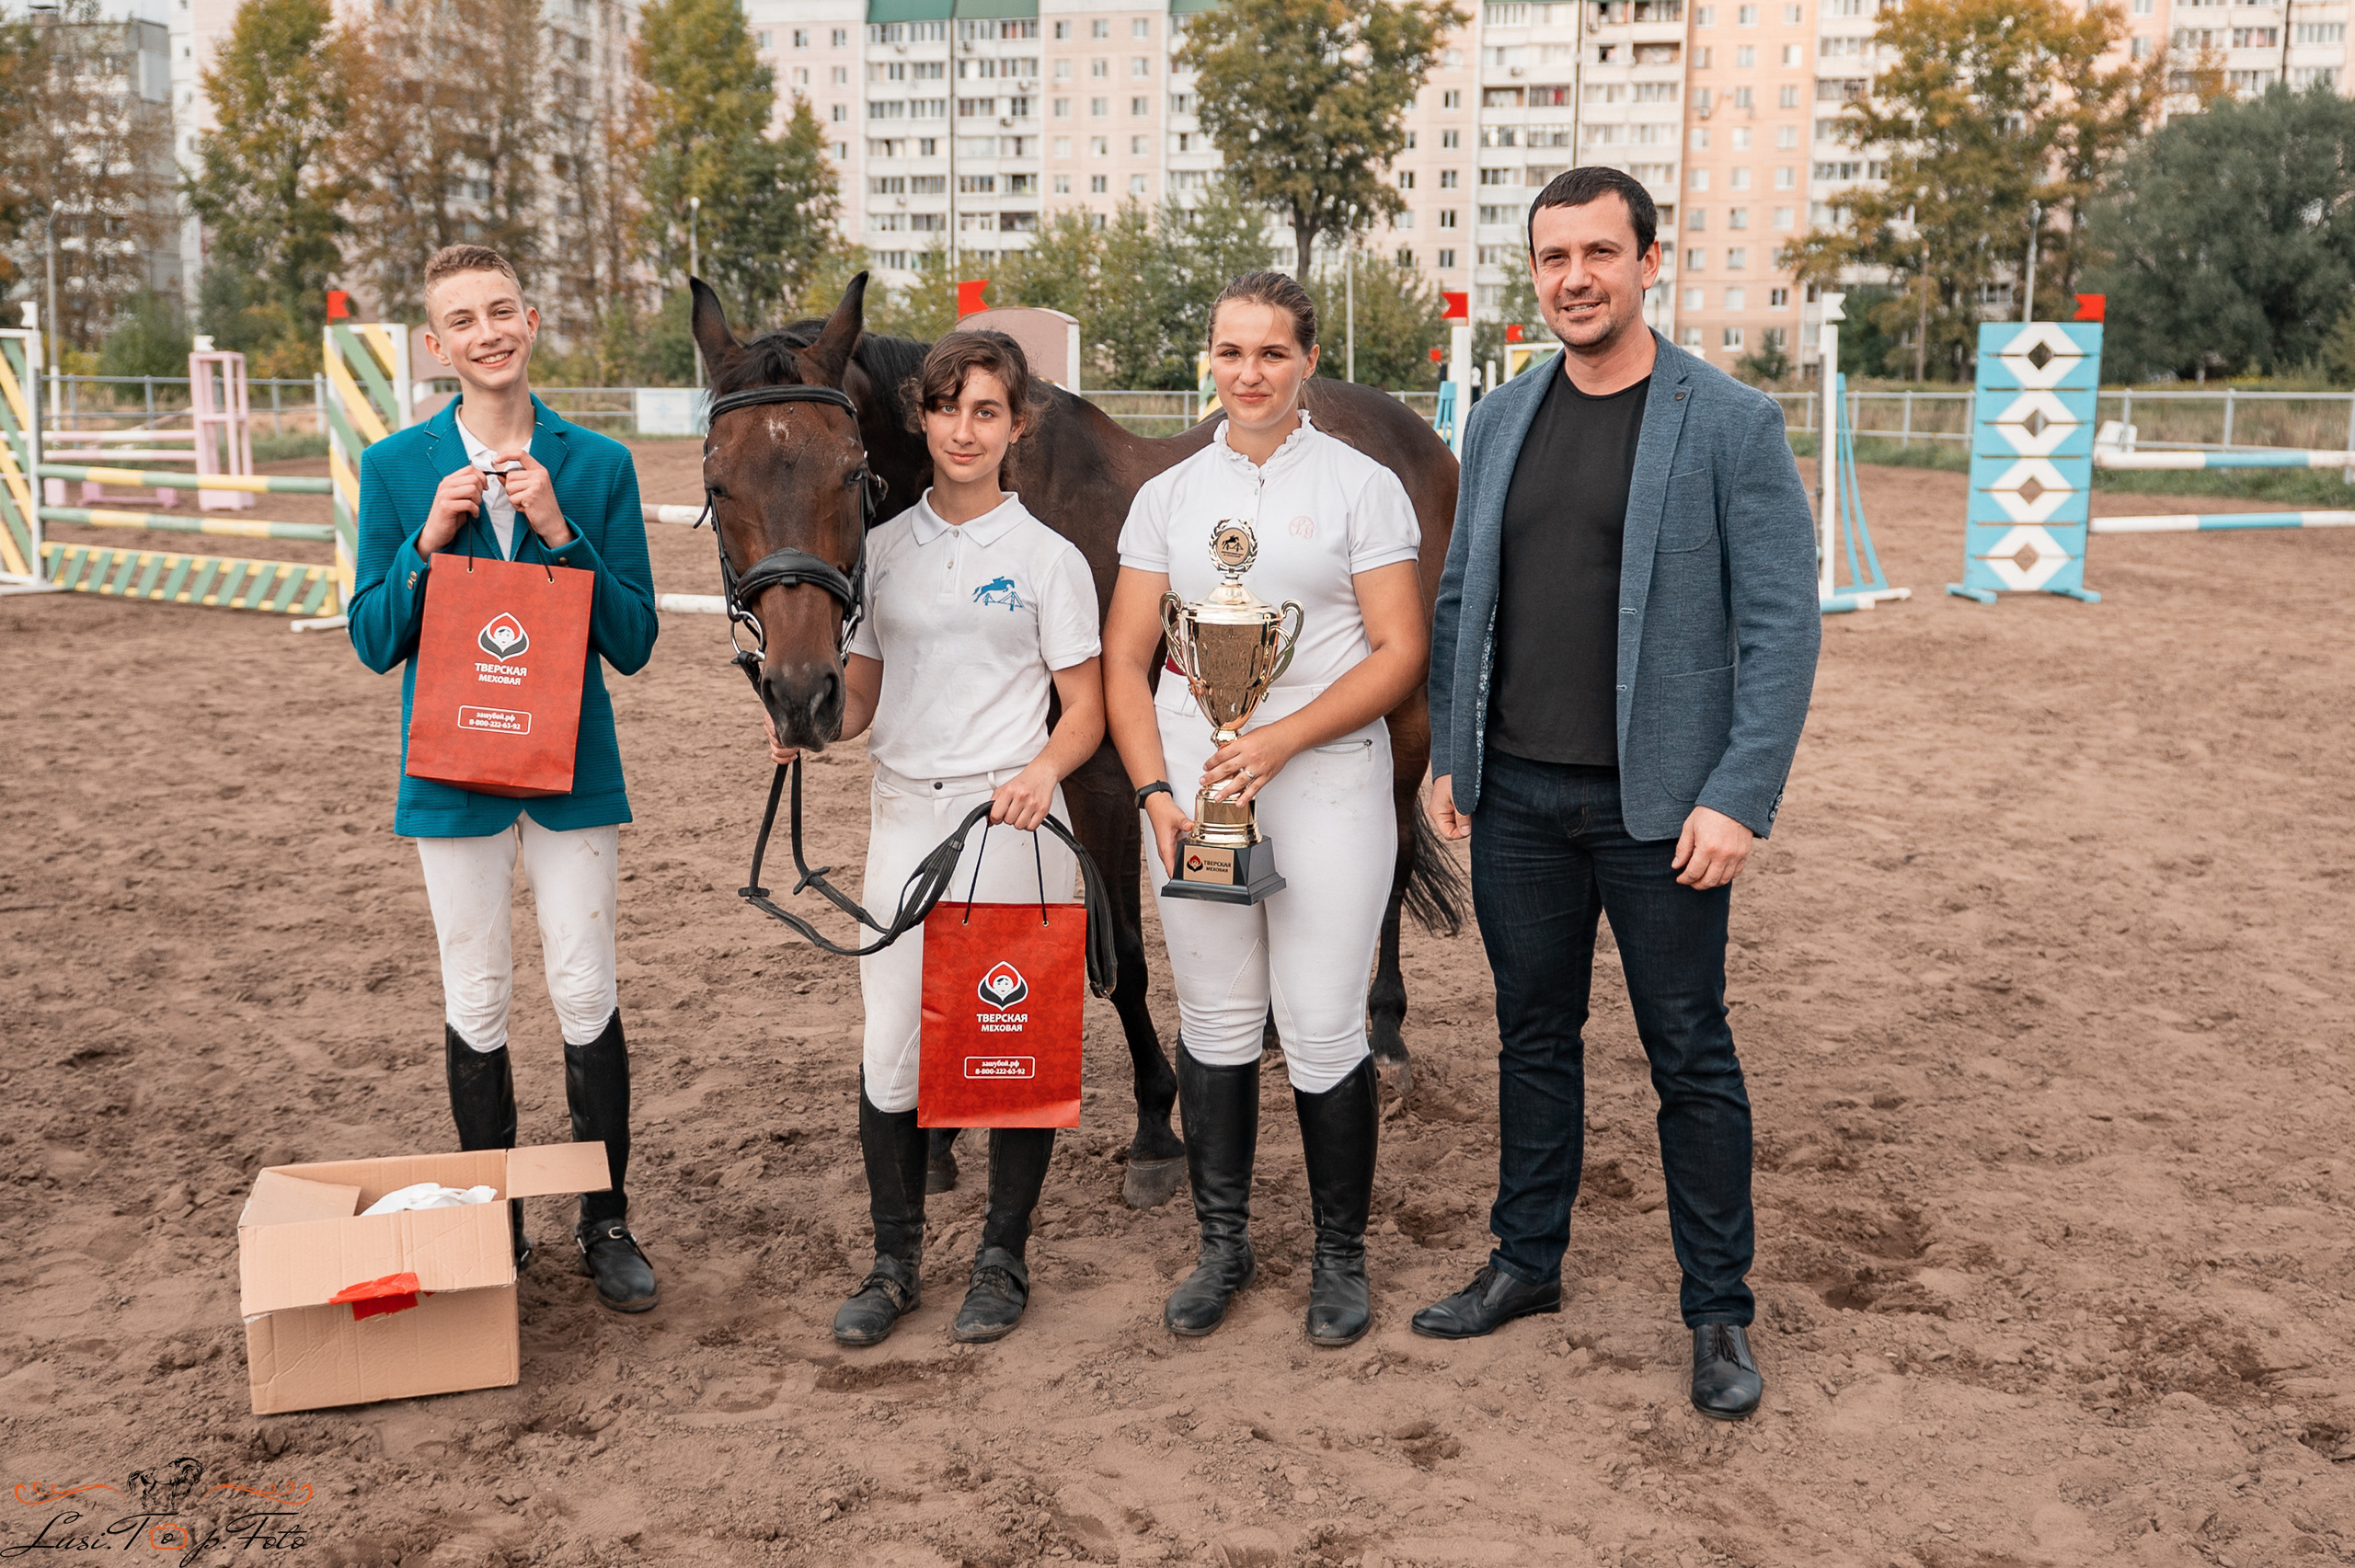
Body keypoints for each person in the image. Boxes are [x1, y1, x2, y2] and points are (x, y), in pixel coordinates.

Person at [1416, 167, 1821, 1419]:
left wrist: (1738, 798)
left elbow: (1782, 626)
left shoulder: (1730, 421)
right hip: (1520, 799)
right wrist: (1450, 752)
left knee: (1688, 1052)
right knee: (1531, 1040)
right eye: (1553, 258)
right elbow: (1460, 604)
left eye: (1599, 252)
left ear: (1650, 261)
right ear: (1532, 275)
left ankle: (1717, 1313)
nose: (1575, 278)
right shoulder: (1500, 418)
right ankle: (1526, 1263)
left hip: (1666, 814)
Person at [761, 331, 1106, 1348]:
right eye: (949, 408)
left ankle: (1002, 1258)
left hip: (1015, 822)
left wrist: (1043, 771)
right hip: (906, 814)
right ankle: (893, 1261)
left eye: (987, 411)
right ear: (922, 417)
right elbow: (861, 694)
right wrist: (809, 725)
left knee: (1011, 1050)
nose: (965, 429)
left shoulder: (1048, 558)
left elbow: (1083, 707)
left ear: (1018, 425)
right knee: (893, 1052)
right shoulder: (881, 550)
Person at [1102, 273, 1427, 1347]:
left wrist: (1282, 737)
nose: (1249, 374)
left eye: (1272, 354)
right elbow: (1124, 659)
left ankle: (1340, 1255)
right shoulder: (1167, 498)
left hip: (1325, 778)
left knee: (1325, 1020)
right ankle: (1223, 1244)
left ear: (1305, 363)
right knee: (1216, 1021)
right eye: (1231, 352)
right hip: (1195, 789)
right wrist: (1154, 788)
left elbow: (1399, 650)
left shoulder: (1360, 485)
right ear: (1211, 359)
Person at [347, 244, 661, 1311]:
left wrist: (561, 531)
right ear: (438, 346)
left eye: (501, 312)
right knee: (477, 995)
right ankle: (496, 1224)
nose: (486, 333)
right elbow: (373, 638)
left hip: (571, 772)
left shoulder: (600, 464)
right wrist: (425, 546)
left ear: (530, 321)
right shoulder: (395, 469)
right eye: (461, 321)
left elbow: (633, 642)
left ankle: (605, 1220)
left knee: (584, 989)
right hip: (452, 774)